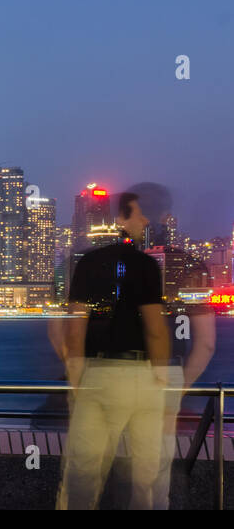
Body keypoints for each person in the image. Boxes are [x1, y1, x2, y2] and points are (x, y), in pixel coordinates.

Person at [56, 192, 171, 510]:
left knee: (84, 470)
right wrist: (161, 376)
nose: (145, 220)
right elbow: (155, 328)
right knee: (146, 473)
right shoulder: (146, 265)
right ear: (119, 219)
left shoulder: (87, 263)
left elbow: (75, 326)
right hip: (140, 375)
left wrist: (77, 377)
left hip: (99, 374)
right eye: (138, 214)